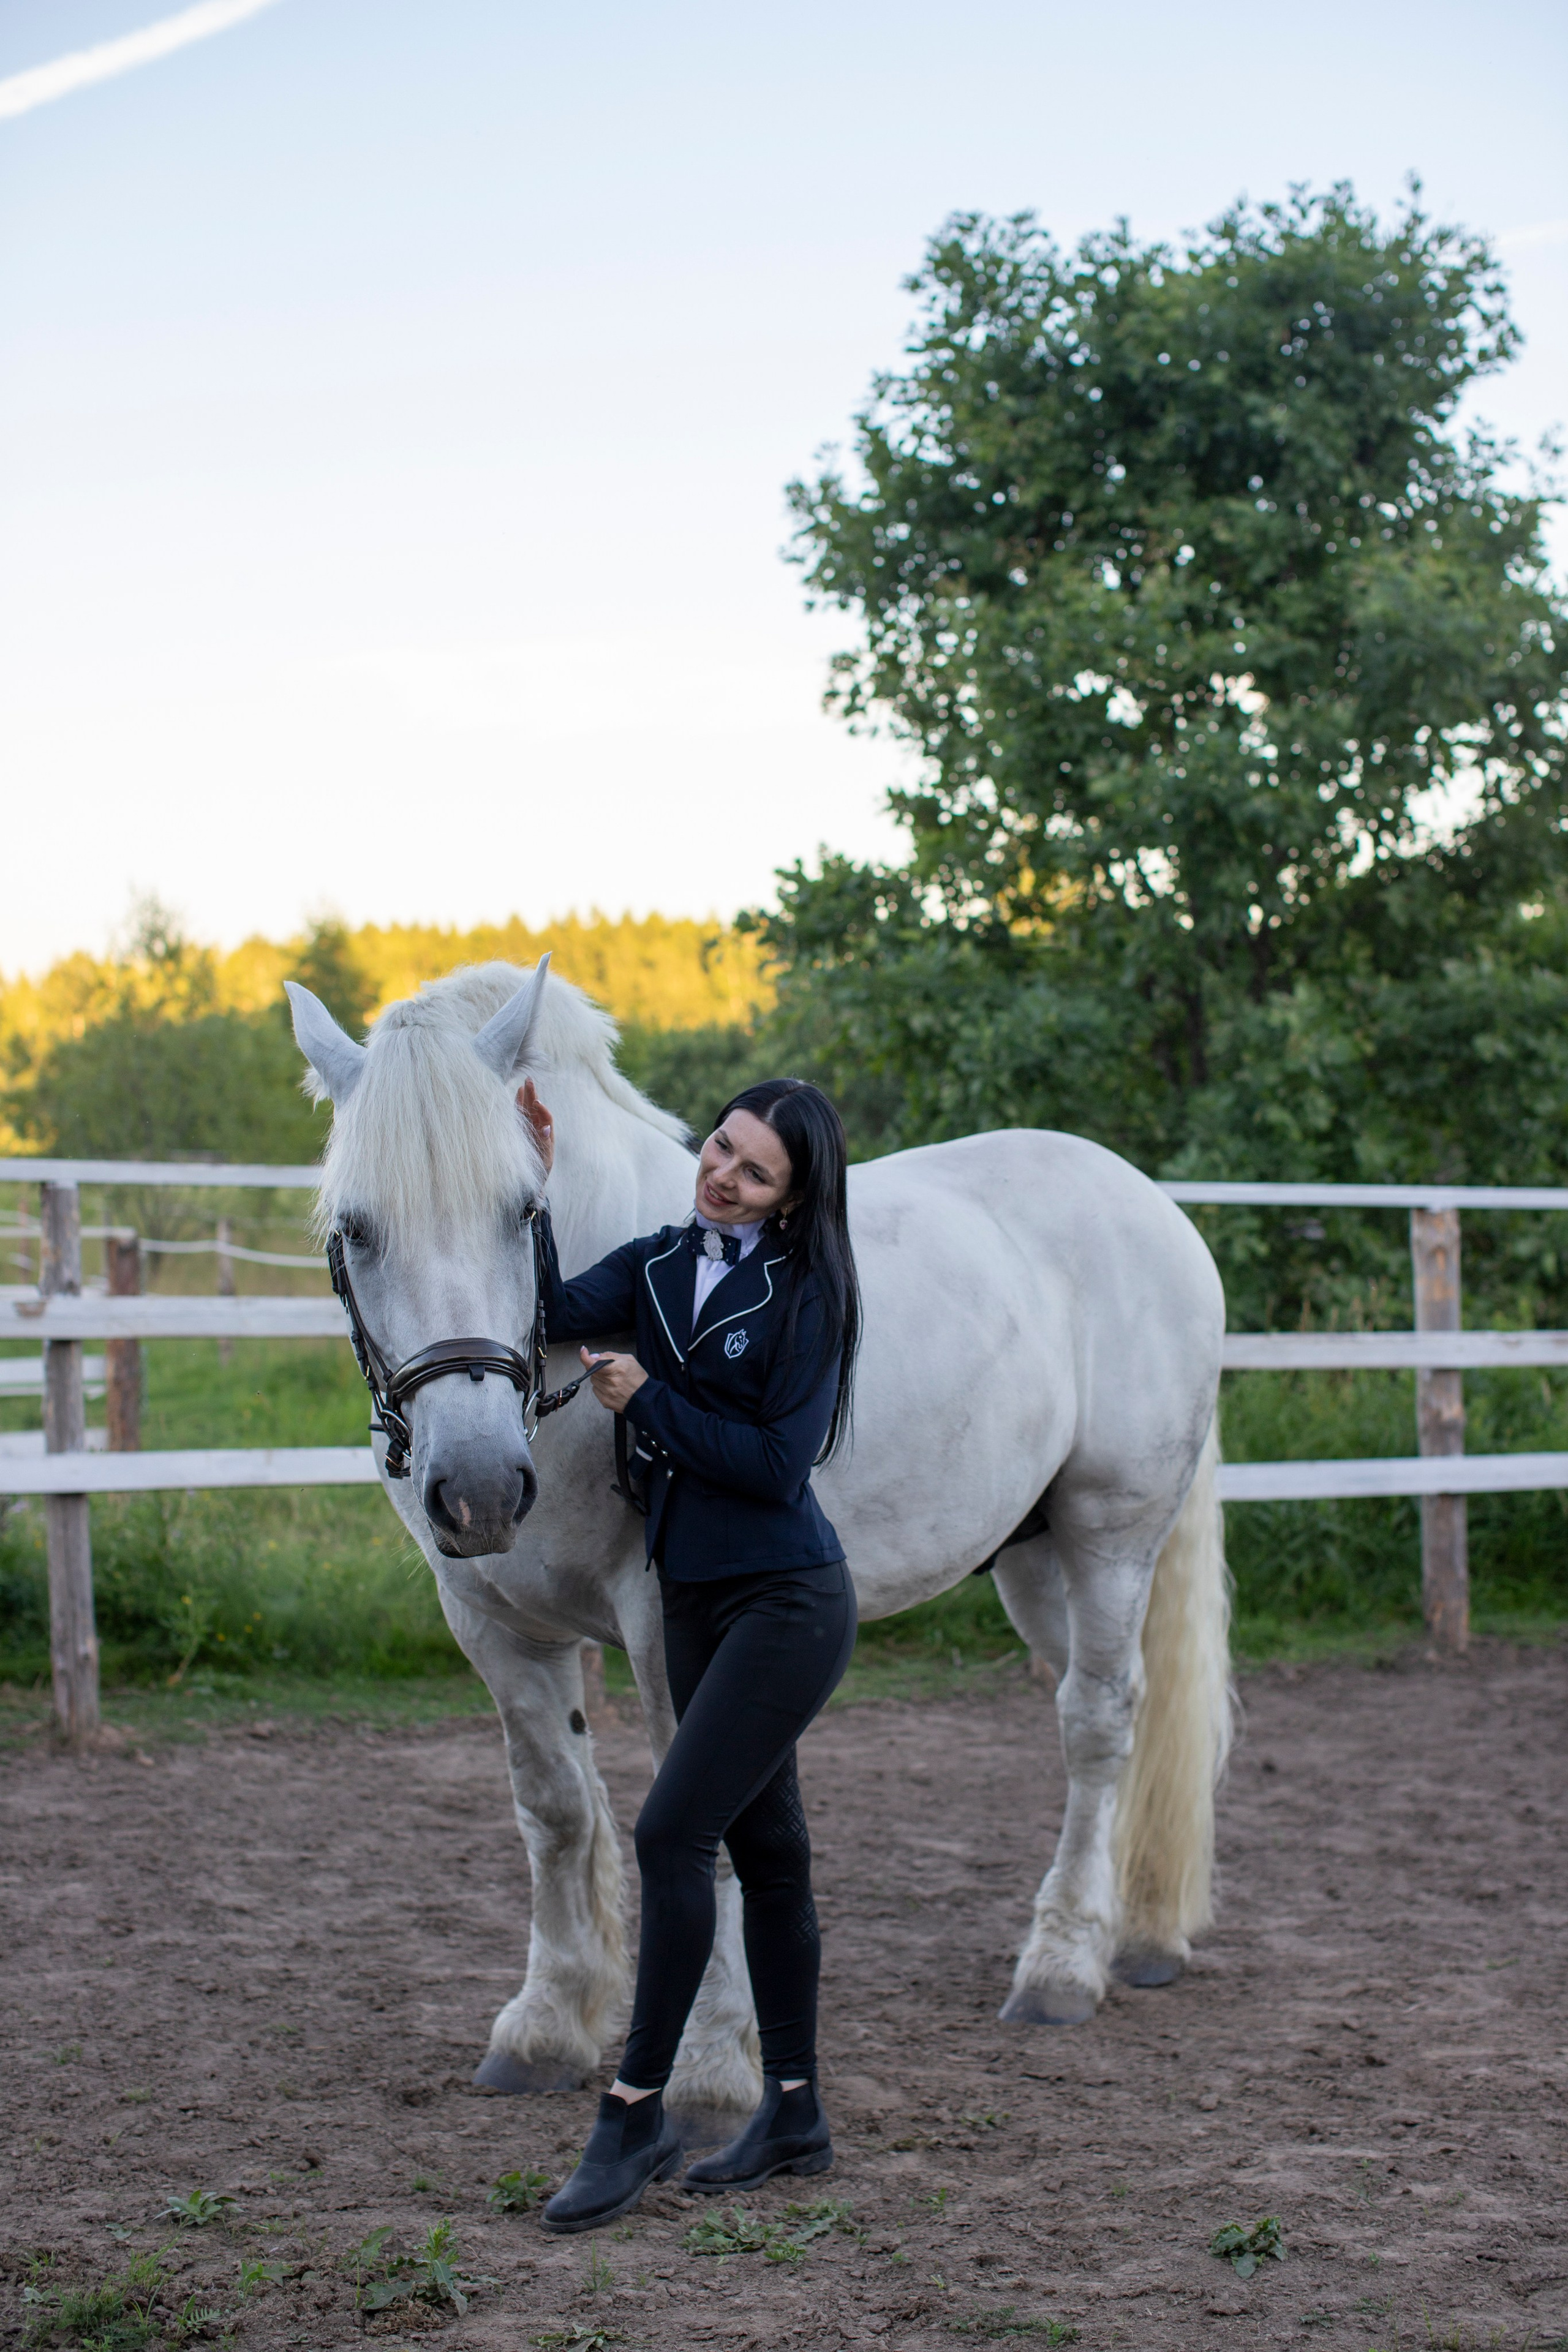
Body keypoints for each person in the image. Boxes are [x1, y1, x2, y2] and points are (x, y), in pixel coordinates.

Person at [516, 1075, 861, 2234]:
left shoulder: (811, 1292)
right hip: (697, 1602)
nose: (723, 1173)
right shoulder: (657, 1264)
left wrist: (647, 1401)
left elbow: (775, 1464)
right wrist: (534, 1169)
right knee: (773, 1855)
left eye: (755, 1171)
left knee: (671, 1832)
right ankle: (797, 2115)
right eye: (721, 1147)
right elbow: (549, 1308)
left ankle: (631, 2113)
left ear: (790, 1199)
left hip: (789, 1597)